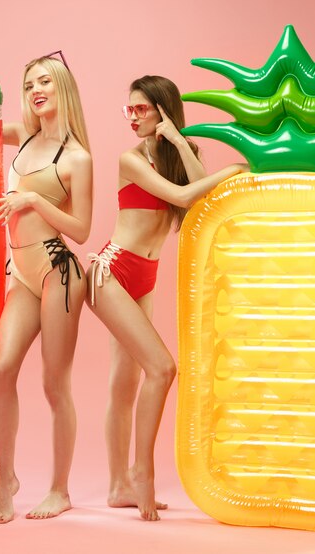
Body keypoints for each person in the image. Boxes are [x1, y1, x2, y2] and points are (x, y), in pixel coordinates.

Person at [86, 74, 248, 522]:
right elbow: (183, 195)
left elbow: (200, 198)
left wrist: (180, 143)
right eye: (130, 109)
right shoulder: (130, 159)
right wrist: (232, 171)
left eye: (142, 109)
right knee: (161, 369)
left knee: (125, 384)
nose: (133, 117)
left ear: (163, 111)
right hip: (110, 273)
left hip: (145, 278)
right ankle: (142, 474)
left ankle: (118, 485)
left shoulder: (182, 155)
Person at [0, 53, 92, 523]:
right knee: (1, 369)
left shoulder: (76, 157)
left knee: (54, 384)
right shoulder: (22, 136)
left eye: (45, 81)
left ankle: (59, 490)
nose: (36, 89)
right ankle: (6, 482)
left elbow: (83, 229)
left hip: (58, 273)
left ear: (63, 88)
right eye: (29, 83)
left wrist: (32, 199)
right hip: (21, 276)